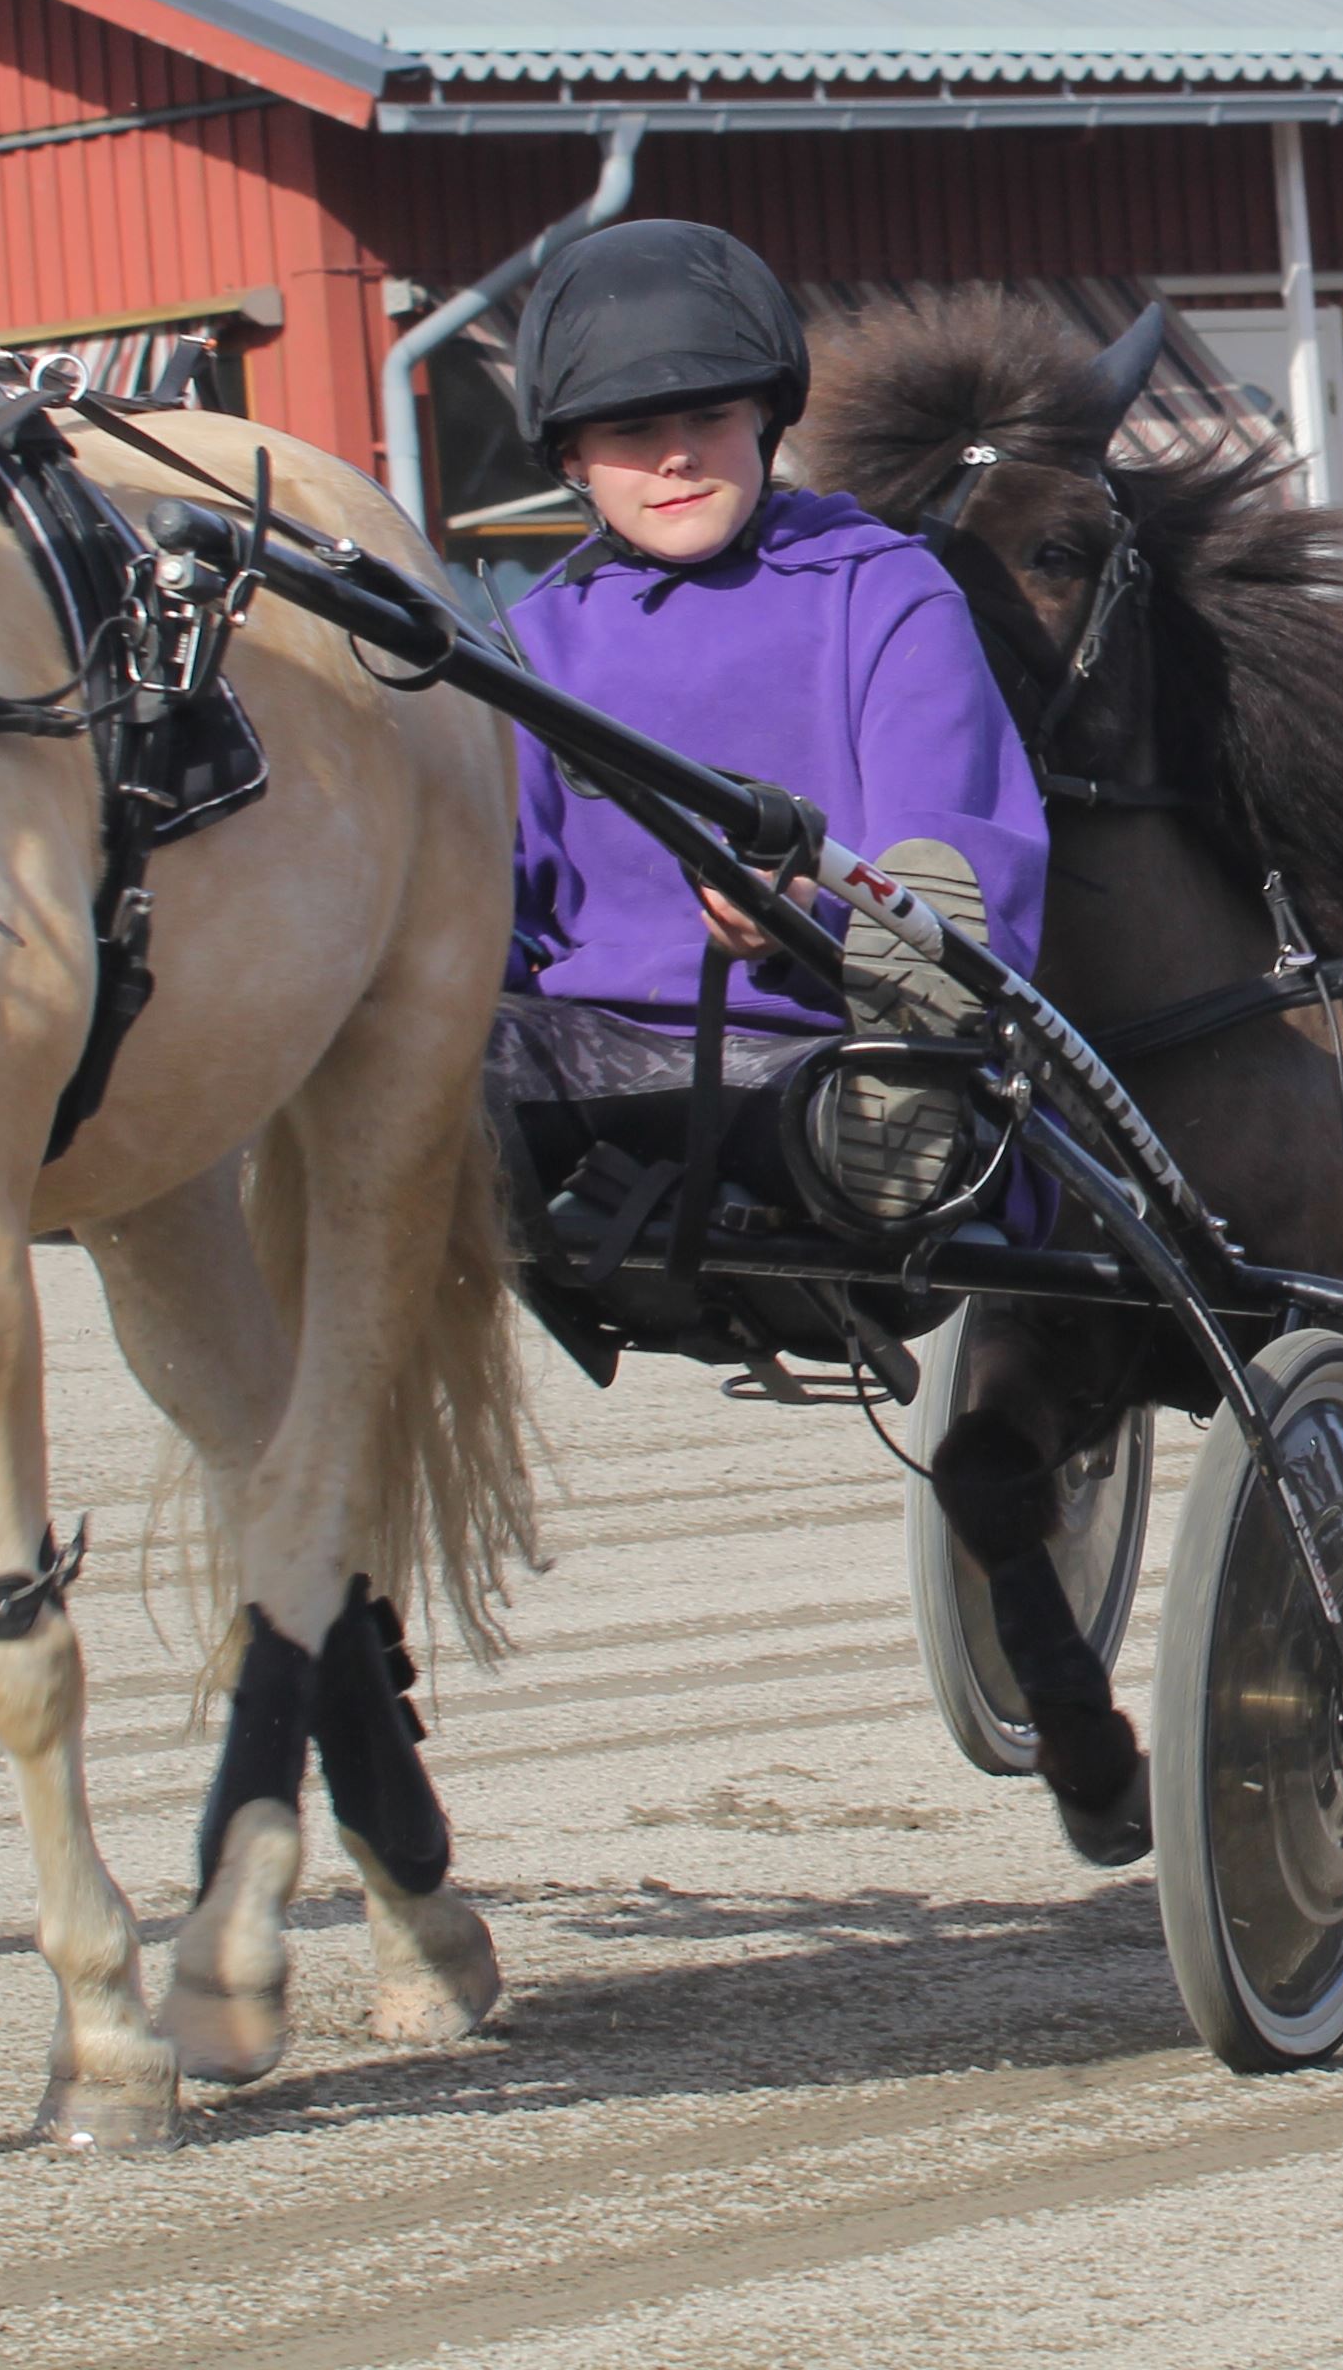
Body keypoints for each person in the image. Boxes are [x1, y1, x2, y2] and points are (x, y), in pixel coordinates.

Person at [482, 225, 1103, 1835]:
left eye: (702, 414)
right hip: (586, 1082)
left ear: (765, 416)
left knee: (879, 1078)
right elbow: (510, 896)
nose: (670, 454)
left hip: (842, 1068)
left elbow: (955, 833)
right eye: (627, 431)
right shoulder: (539, 642)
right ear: (571, 458)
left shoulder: (880, 588)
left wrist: (826, 919)